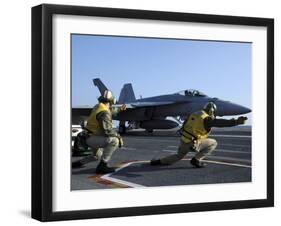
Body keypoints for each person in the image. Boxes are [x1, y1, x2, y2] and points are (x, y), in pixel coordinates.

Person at [150, 102, 247, 168]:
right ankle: (196, 159)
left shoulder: (194, 114)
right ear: (212, 111)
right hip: (194, 143)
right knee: (213, 143)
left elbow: (184, 125)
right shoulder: (207, 118)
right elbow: (220, 122)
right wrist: (235, 122)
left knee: (179, 155)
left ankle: (158, 162)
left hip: (184, 140)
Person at [72, 90, 126, 174]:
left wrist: (120, 109)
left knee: (97, 156)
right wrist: (119, 137)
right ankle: (102, 166)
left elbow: (110, 112)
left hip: (87, 136)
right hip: (91, 138)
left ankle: (78, 163)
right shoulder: (104, 112)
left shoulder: (98, 106)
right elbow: (108, 130)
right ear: (112, 101)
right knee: (115, 141)